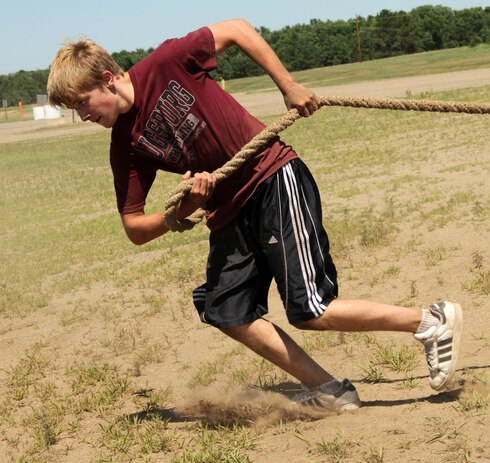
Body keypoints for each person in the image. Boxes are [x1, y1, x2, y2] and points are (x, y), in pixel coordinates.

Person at [47, 19, 463, 412]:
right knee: (224, 308)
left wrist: (288, 85)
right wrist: (180, 210)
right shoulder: (126, 144)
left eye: (82, 103)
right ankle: (329, 391)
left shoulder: (167, 61)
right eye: (74, 110)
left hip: (272, 178)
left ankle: (429, 321)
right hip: (227, 212)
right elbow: (134, 227)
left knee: (311, 310)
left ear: (106, 80)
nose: (83, 116)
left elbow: (237, 30)